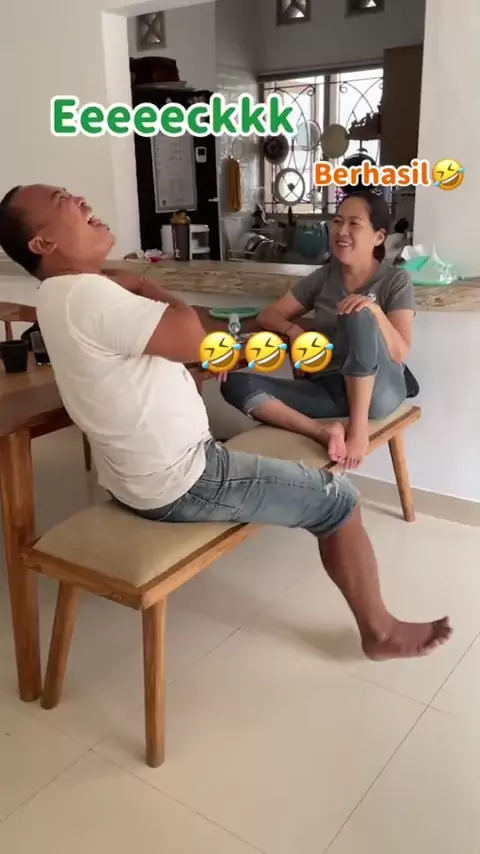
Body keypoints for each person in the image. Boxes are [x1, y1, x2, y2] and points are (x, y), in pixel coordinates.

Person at [0, 184, 451, 660]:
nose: (81, 201)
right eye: (62, 201)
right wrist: (147, 287)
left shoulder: (59, 295)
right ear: (42, 243)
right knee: (338, 500)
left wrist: (189, 364)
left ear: (379, 236)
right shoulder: (91, 293)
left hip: (145, 475)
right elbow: (194, 336)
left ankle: (342, 430)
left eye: (353, 223)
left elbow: (160, 355)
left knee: (275, 354)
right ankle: (380, 632)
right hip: (184, 478)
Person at [222, 192, 416, 470]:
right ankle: (322, 432)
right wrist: (293, 331)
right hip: (328, 389)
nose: (342, 231)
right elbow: (269, 315)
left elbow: (399, 352)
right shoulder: (325, 276)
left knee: (356, 312)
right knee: (233, 383)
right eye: (337, 221)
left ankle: (357, 429)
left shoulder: (395, 280)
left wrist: (372, 310)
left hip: (379, 392)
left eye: (354, 223)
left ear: (379, 237)